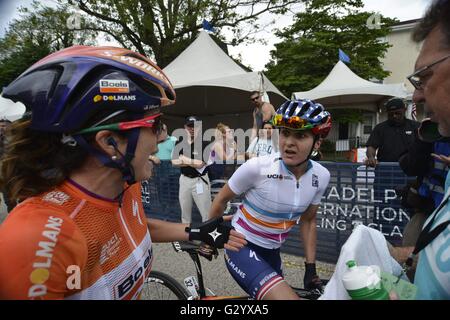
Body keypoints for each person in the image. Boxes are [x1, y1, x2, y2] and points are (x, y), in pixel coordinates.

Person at [0, 45, 246, 300]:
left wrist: (196, 230)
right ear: (109, 142)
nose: (163, 137)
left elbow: (135, 224)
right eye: (155, 125)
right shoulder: (38, 238)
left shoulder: (125, 184)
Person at [209, 99, 332, 300]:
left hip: (272, 252)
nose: (289, 142)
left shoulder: (321, 176)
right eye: (284, 133)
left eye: (300, 135)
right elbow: (221, 199)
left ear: (317, 143)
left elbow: (309, 221)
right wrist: (213, 237)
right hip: (241, 246)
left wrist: (310, 267)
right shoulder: (257, 167)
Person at [399, 0, 450, 299]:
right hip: (425, 209)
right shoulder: (429, 130)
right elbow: (410, 165)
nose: (418, 94)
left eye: (425, 76)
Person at [172, 116, 212, 223]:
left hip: (200, 180)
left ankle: (207, 237)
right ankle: (186, 237)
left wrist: (183, 158)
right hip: (184, 180)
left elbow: (200, 164)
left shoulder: (205, 142)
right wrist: (192, 162)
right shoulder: (180, 142)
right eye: (190, 126)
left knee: (206, 213)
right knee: (185, 213)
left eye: (195, 126)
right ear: (185, 127)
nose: (192, 129)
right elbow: (174, 162)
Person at [365, 97, 420, 167]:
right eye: (391, 114)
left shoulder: (416, 126)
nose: (394, 116)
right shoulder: (380, 128)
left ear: (404, 110)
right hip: (385, 169)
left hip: (410, 170)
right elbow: (371, 146)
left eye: (398, 113)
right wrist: (371, 157)